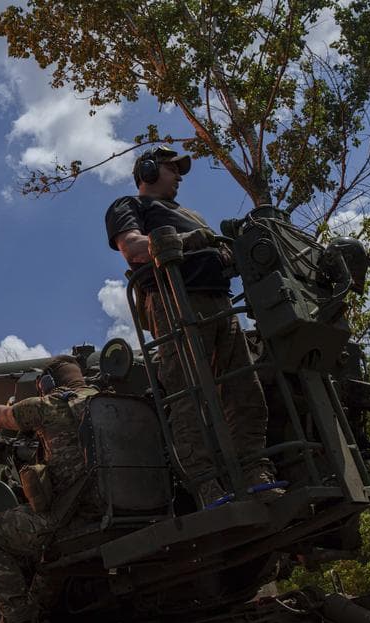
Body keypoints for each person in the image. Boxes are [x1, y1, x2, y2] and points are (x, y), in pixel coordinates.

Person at [105, 145, 272, 507]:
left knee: (245, 389)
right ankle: (207, 486)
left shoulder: (191, 214)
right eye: (171, 169)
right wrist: (182, 240)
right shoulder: (129, 206)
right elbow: (133, 248)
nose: (179, 176)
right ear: (147, 172)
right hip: (175, 302)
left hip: (220, 304)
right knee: (189, 396)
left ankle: (255, 472)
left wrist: (227, 253)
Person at [0, 356, 99, 623]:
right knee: (47, 553)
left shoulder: (50, 405)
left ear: (49, 385)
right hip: (114, 511)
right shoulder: (106, 400)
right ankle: (43, 619)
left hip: (75, 517)